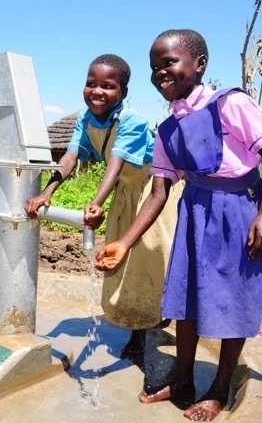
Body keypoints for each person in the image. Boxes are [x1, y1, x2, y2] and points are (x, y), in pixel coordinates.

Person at [95, 30, 262, 421]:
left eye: (169, 62)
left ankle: (219, 388)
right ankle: (181, 378)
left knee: (234, 298)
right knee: (185, 298)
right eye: (154, 67)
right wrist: (124, 244)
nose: (160, 72)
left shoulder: (230, 103)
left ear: (199, 64)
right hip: (194, 212)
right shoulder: (167, 129)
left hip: (239, 211)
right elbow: (158, 193)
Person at [24, 54, 182, 355]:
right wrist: (47, 192)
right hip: (126, 190)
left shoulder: (131, 120)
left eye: (108, 86)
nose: (97, 91)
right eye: (90, 83)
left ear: (122, 92)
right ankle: (137, 320)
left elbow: (114, 163)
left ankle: (150, 324)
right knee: (122, 256)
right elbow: (70, 157)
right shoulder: (85, 119)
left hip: (153, 189)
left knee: (152, 255)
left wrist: (96, 203)